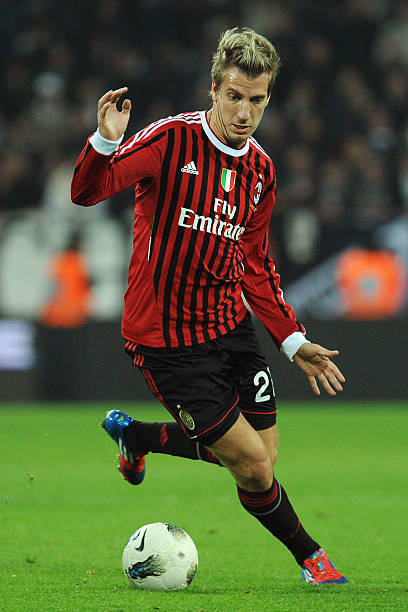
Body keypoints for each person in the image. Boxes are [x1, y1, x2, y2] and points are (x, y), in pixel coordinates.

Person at [71, 27, 347, 585]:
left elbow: (255, 264)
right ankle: (313, 560)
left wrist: (292, 340)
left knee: (259, 455)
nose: (245, 113)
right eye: (235, 96)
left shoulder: (261, 170)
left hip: (229, 327)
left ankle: (138, 437)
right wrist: (103, 140)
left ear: (268, 98)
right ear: (214, 90)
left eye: (257, 100)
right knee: (253, 466)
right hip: (166, 340)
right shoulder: (170, 140)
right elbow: (86, 192)